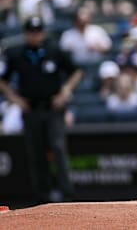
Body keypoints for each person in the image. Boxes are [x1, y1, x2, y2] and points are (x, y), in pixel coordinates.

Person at [0, 16, 83, 204]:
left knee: (58, 148)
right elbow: (2, 80)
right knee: (35, 152)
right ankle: (41, 197)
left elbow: (76, 71)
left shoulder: (53, 50)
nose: (35, 35)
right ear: (25, 33)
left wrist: (66, 91)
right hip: (31, 109)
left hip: (53, 108)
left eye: (38, 31)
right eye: (31, 32)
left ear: (42, 32)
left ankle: (68, 195)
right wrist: (15, 99)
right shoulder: (17, 54)